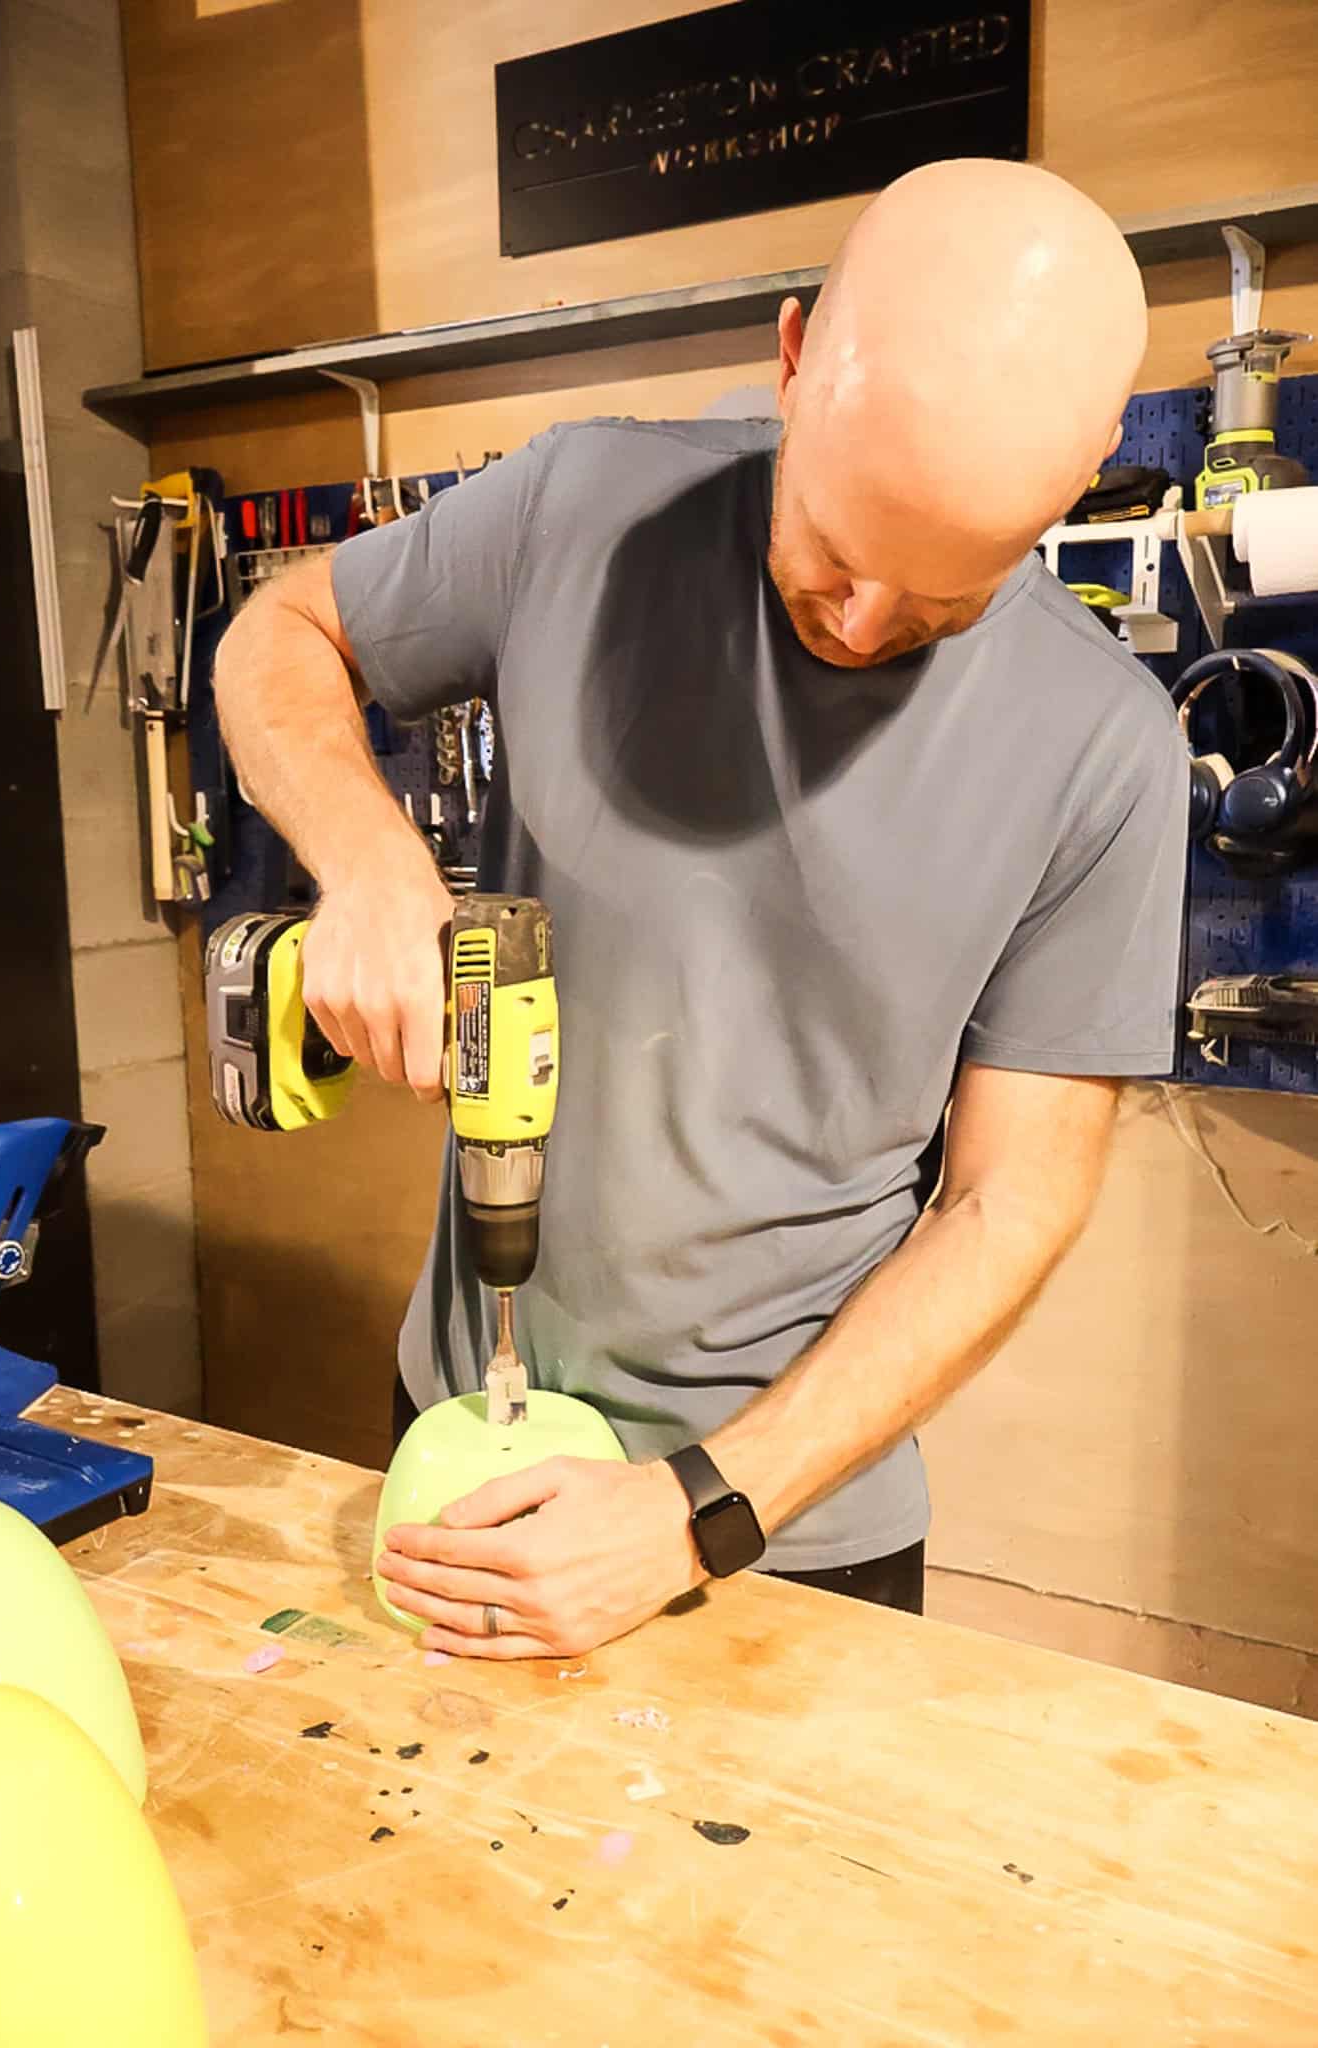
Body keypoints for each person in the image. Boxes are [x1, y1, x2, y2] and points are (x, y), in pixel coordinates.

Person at [215, 158, 1188, 1660]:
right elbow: (277, 632)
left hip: (780, 1529)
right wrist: (369, 862)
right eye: (834, 557)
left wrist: (698, 1512)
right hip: (464, 1424)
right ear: (791, 359)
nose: (858, 631)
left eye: (938, 604)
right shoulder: (575, 505)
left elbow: (1012, 1202)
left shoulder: (1106, 751)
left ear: (1085, 466)